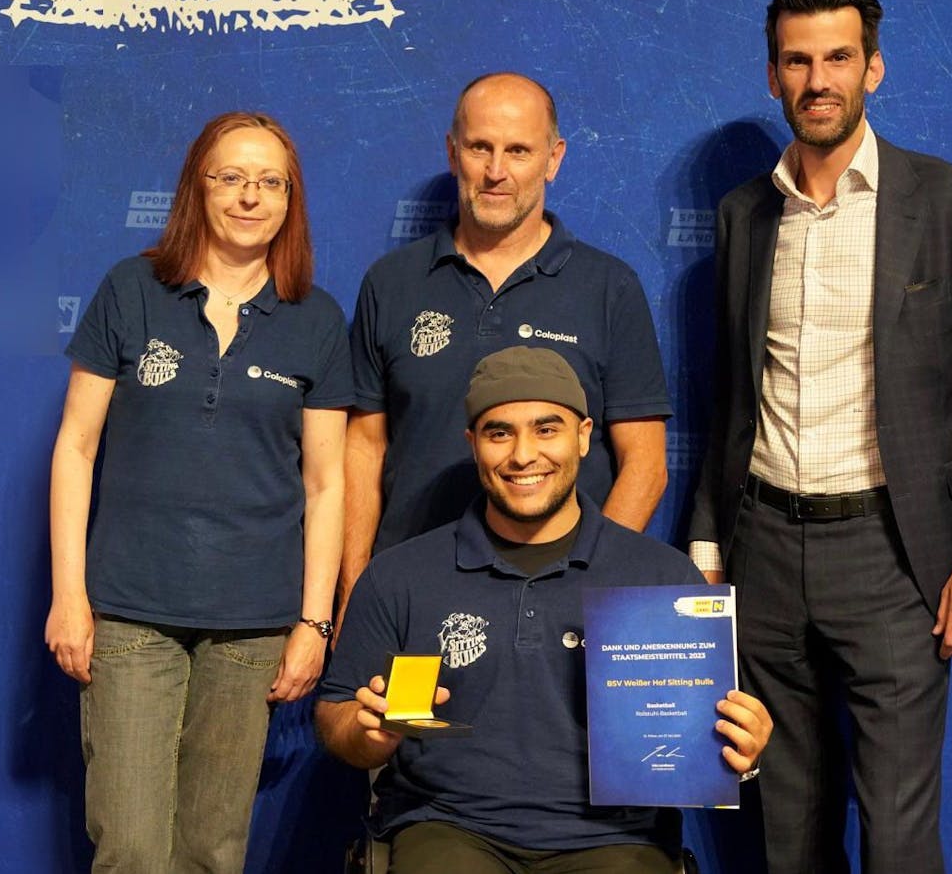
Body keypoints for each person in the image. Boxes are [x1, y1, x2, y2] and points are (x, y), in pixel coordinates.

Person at [687, 0, 952, 873]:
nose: (818, 79)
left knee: (896, 833)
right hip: (762, 549)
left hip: (894, 557)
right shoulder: (743, 216)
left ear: (873, 68)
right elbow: (730, 392)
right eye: (797, 60)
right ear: (772, 76)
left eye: (838, 57)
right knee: (785, 825)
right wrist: (706, 542)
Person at [317, 346, 771, 874]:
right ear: (473, 444)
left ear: (582, 436)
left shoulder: (661, 577)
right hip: (449, 827)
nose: (523, 455)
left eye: (546, 429)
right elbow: (335, 715)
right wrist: (365, 731)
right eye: (499, 432)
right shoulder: (401, 575)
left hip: (615, 837)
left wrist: (743, 753)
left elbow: (711, 736)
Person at [45, 111, 352, 873]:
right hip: (129, 615)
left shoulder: (315, 319)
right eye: (230, 177)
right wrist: (68, 596)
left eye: (269, 182)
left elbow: (326, 480)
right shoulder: (132, 290)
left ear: (290, 199)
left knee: (214, 851)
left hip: (251, 628)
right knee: (133, 848)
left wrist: (315, 620)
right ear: (197, 187)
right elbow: (76, 447)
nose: (251, 197)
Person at [341, 72, 672, 628]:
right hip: (413, 602)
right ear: (453, 152)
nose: (497, 172)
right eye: (480, 148)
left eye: (518, 150)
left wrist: (591, 587)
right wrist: (357, 592)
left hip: (559, 608)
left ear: (553, 158)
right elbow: (364, 451)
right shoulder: (391, 283)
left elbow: (646, 463)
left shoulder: (608, 286)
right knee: (395, 721)